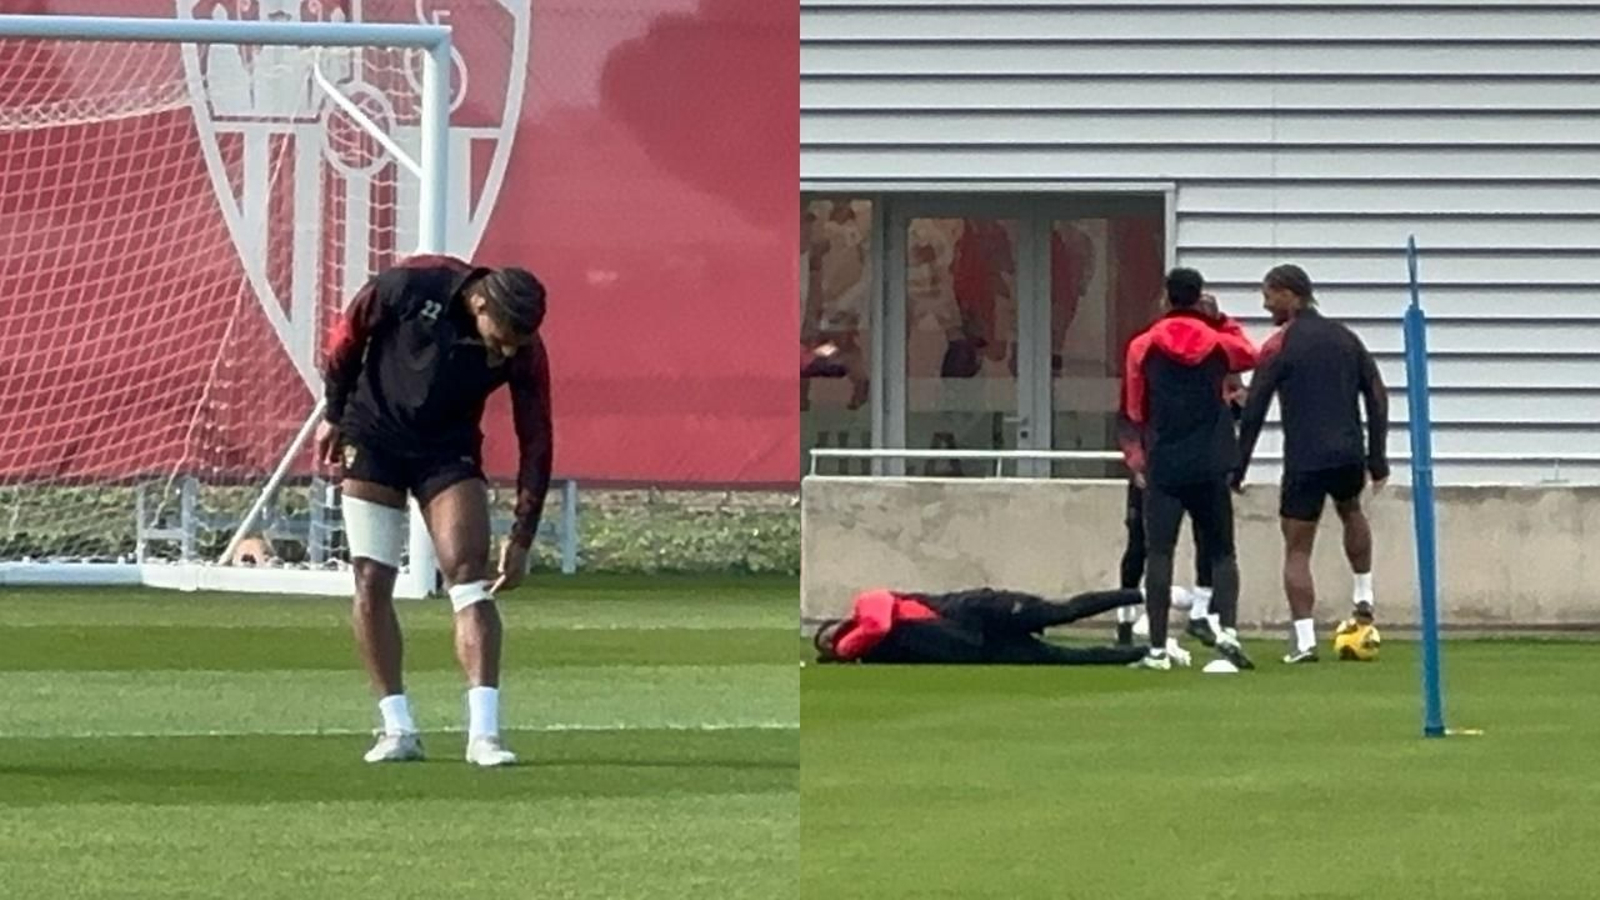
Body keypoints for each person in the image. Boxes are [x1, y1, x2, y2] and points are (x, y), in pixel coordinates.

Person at [316, 254, 553, 766]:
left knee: (469, 578)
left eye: (518, 342)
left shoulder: (524, 348)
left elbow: (536, 436)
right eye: (502, 337)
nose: (507, 351)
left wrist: (523, 536)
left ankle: (484, 735)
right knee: (371, 579)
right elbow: (347, 337)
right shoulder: (410, 285)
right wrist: (333, 412)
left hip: (447, 452)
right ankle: (397, 728)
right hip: (374, 437)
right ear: (480, 303)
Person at [1236, 264, 1390, 664]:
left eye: (1269, 295)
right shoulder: (1346, 338)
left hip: (1305, 458)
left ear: (1290, 294)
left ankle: (1304, 641)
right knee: (1351, 510)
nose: (1266, 305)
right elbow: (1377, 394)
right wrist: (1377, 458)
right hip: (1348, 453)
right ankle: (1363, 595)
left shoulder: (1279, 345)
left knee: (1297, 548)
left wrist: (1238, 468)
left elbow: (1255, 408)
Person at [1123, 268, 1258, 671]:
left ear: (1167, 297)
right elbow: (1251, 353)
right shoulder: (1218, 341)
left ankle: (1158, 649)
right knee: (1222, 551)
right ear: (1199, 298)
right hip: (1211, 459)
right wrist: (1220, 320)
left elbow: (1135, 407)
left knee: (1159, 552)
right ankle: (1227, 635)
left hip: (1165, 460)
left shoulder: (1143, 345)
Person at [812, 587, 1155, 666]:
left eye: (830, 637)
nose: (834, 643)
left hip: (979, 611)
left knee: (1061, 612)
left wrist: (842, 650)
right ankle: (1147, 652)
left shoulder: (868, 603)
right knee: (1062, 658)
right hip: (974, 646)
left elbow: (877, 625)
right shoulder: (878, 656)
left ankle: (1145, 594)